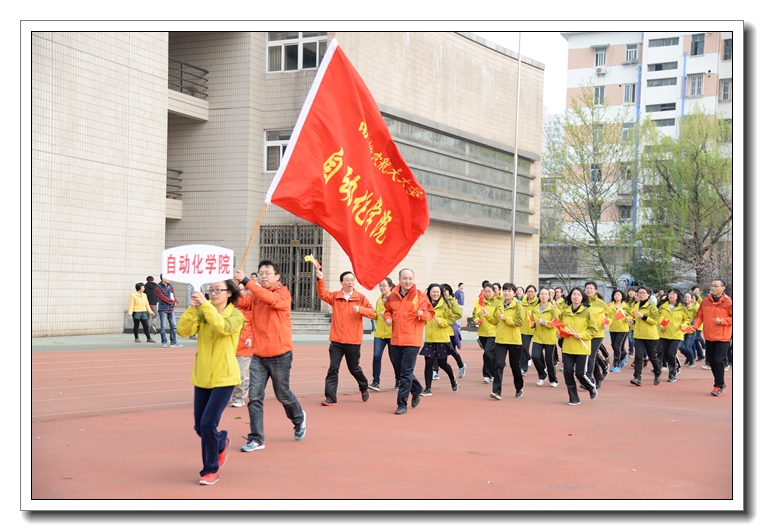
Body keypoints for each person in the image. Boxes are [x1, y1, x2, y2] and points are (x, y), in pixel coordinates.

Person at [177, 279, 244, 486]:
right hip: (203, 376)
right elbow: (183, 331)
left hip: (225, 377)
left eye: (217, 290)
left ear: (229, 293)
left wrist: (205, 306)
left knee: (208, 423)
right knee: (200, 426)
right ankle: (221, 440)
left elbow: (222, 328)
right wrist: (192, 308)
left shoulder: (236, 315)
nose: (213, 294)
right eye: (210, 290)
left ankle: (210, 469)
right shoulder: (203, 312)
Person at [235, 261, 306, 451]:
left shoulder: (282, 293)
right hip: (258, 354)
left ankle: (298, 418)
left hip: (280, 354)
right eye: (260, 273)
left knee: (282, 394)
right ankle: (256, 438)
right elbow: (242, 303)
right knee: (255, 397)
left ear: (277, 277)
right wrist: (233, 290)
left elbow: (270, 299)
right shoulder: (255, 294)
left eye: (267, 273)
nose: (263, 276)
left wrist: (247, 283)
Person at [316, 269, 375, 406]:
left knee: (353, 368)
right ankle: (331, 397)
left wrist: (360, 310)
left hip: (352, 341)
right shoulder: (336, 296)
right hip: (336, 340)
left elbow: (372, 313)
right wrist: (320, 279)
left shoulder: (360, 298)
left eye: (352, 280)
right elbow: (322, 294)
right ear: (341, 282)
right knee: (333, 368)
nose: (350, 282)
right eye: (347, 280)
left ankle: (364, 386)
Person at [384, 268, 434, 415]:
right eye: (405, 278)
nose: (407, 281)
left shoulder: (420, 296)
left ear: (413, 279)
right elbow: (388, 310)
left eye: (410, 278)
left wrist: (422, 314)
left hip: (412, 340)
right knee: (400, 372)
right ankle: (417, 388)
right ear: (399, 279)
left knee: (405, 373)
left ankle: (402, 404)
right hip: (395, 339)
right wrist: (387, 318)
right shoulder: (392, 295)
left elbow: (430, 314)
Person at [486, 282, 526, 399]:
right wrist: (487, 315)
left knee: (515, 365)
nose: (506, 293)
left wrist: (506, 318)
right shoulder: (499, 305)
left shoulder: (518, 306)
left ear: (514, 293)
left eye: (509, 291)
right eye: (505, 290)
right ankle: (496, 391)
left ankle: (519, 387)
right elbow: (495, 321)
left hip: (514, 340)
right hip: (500, 339)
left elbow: (519, 322)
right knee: (498, 364)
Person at [693, 280, 732, 396]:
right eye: (712, 285)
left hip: (723, 336)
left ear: (723, 288)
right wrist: (695, 327)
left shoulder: (729, 302)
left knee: (719, 361)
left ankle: (718, 385)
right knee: (711, 361)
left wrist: (723, 321)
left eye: (716, 286)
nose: (713, 287)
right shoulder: (705, 302)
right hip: (709, 335)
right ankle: (721, 383)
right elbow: (700, 316)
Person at [559, 287, 598, 405]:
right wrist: (560, 333)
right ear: (570, 297)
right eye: (574, 294)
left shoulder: (587, 312)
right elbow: (561, 326)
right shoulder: (565, 311)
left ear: (582, 298)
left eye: (578, 295)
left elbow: (593, 330)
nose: (576, 296)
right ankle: (574, 398)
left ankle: (591, 387)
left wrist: (581, 335)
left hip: (582, 347)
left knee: (580, 374)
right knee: (567, 373)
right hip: (568, 347)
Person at [419, 284, 459, 397]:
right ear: (429, 292)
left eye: (437, 292)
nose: (435, 294)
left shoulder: (445, 305)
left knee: (442, 364)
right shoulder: (425, 304)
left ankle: (452, 378)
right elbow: (423, 319)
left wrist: (441, 322)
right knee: (428, 364)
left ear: (441, 293)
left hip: (442, 338)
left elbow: (453, 317)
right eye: (433, 292)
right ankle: (427, 388)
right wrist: (421, 316)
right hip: (430, 339)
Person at [657, 289, 690, 383]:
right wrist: (660, 326)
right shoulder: (663, 307)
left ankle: (672, 373)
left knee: (672, 353)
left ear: (678, 296)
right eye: (669, 294)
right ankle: (676, 365)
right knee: (665, 354)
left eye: (673, 294)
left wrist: (684, 324)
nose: (671, 296)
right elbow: (659, 319)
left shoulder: (682, 307)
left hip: (676, 333)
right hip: (664, 333)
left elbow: (687, 319)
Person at [630, 286, 661, 387]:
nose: (641, 294)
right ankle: (637, 377)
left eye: (643, 293)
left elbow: (656, 321)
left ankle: (657, 372)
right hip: (638, 335)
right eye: (639, 293)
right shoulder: (636, 305)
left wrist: (644, 317)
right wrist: (632, 321)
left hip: (650, 336)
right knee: (638, 357)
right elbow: (635, 318)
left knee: (652, 357)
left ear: (648, 294)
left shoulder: (652, 306)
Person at [230, 282, 255, 408]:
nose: (237, 293)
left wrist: (251, 337)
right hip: (229, 347)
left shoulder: (250, 304)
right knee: (229, 374)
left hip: (244, 347)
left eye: (239, 289)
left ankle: (238, 398)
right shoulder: (228, 306)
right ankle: (251, 383)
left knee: (239, 374)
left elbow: (256, 324)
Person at [370, 277, 396, 391]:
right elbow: (376, 315)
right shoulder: (379, 299)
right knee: (376, 357)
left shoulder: (395, 299)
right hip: (379, 333)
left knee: (394, 359)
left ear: (390, 286)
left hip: (392, 334)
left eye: (384, 285)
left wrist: (386, 314)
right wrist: (367, 312)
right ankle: (376, 382)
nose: (382, 287)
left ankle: (399, 380)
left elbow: (398, 315)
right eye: (380, 285)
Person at [584, 281, 611, 388]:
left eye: (591, 288)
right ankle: (598, 376)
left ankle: (588, 380)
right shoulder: (582, 301)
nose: (589, 290)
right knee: (592, 357)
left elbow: (610, 314)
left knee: (590, 356)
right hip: (585, 334)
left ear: (596, 290)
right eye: (587, 288)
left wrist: (606, 322)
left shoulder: (600, 303)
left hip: (597, 334)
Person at [530, 287, 559, 387]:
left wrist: (544, 322)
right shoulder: (535, 309)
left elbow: (556, 323)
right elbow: (533, 321)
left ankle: (553, 379)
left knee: (549, 360)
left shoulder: (553, 309)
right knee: (535, 356)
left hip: (549, 338)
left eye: (545, 294)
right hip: (538, 337)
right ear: (538, 296)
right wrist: (532, 324)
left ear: (549, 296)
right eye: (541, 294)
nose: (543, 296)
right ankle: (542, 375)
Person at [474, 283, 500, 384]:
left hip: (493, 332)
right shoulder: (479, 301)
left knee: (488, 352)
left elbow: (498, 317)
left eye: (490, 291)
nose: (488, 293)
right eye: (486, 291)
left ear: (494, 292)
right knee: (488, 354)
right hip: (482, 332)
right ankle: (490, 373)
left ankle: (488, 374)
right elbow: (475, 314)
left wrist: (489, 316)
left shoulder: (498, 303)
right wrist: (476, 320)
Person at [440, 283, 466, 378]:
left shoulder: (452, 302)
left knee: (451, 350)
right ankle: (435, 371)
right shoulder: (437, 302)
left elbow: (458, 314)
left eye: (445, 291)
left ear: (449, 291)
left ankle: (461, 365)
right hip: (440, 331)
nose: (444, 293)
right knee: (437, 352)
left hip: (450, 330)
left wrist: (448, 320)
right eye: (442, 291)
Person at [156, 274, 182, 348]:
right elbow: (163, 298)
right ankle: (164, 342)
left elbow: (173, 295)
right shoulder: (158, 288)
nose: (169, 279)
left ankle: (173, 342)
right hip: (163, 309)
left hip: (171, 309)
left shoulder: (170, 286)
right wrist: (172, 302)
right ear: (163, 278)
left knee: (173, 326)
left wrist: (176, 301)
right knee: (163, 327)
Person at [607, 289, 630, 372]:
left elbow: (631, 315)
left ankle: (616, 365)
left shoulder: (625, 306)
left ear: (622, 296)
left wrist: (629, 318)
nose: (616, 296)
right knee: (614, 345)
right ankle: (624, 355)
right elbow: (607, 315)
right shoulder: (609, 306)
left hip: (623, 329)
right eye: (615, 294)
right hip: (613, 328)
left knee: (617, 346)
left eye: (618, 294)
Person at [519, 285, 539, 375]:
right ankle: (523, 367)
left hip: (536, 328)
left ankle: (542, 365)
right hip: (524, 328)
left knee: (538, 351)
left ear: (535, 292)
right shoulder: (521, 302)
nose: (530, 293)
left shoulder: (538, 302)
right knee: (523, 347)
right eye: (528, 291)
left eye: (532, 291)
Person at [678, 292, 698, 367]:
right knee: (680, 347)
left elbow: (698, 318)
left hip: (691, 330)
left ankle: (692, 361)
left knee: (688, 347)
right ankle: (688, 357)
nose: (686, 298)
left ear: (692, 299)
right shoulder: (681, 308)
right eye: (685, 297)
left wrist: (694, 326)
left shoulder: (694, 308)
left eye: (688, 297)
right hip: (683, 330)